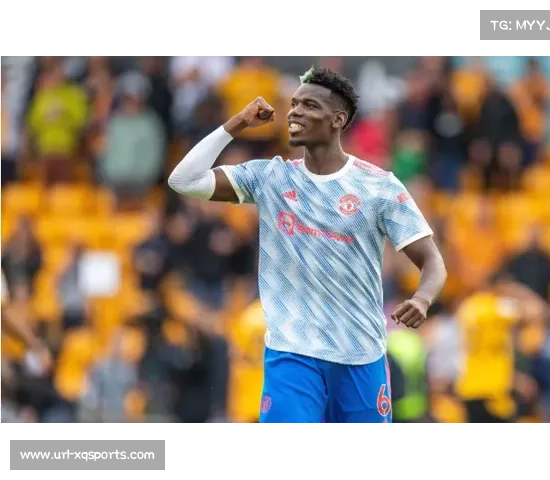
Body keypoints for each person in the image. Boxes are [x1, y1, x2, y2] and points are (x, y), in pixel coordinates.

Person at [168, 66, 447, 424]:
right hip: (292, 353)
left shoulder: (379, 187)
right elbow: (184, 180)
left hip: (361, 355)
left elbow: (432, 261)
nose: (295, 112)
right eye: (294, 104)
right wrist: (236, 124)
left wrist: (422, 299)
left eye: (309, 106)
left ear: (337, 119)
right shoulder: (270, 177)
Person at [454, 271, 547, 424]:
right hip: (492, 390)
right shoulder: (498, 307)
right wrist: (518, 290)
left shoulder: (468, 306)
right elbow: (537, 310)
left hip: (469, 385)